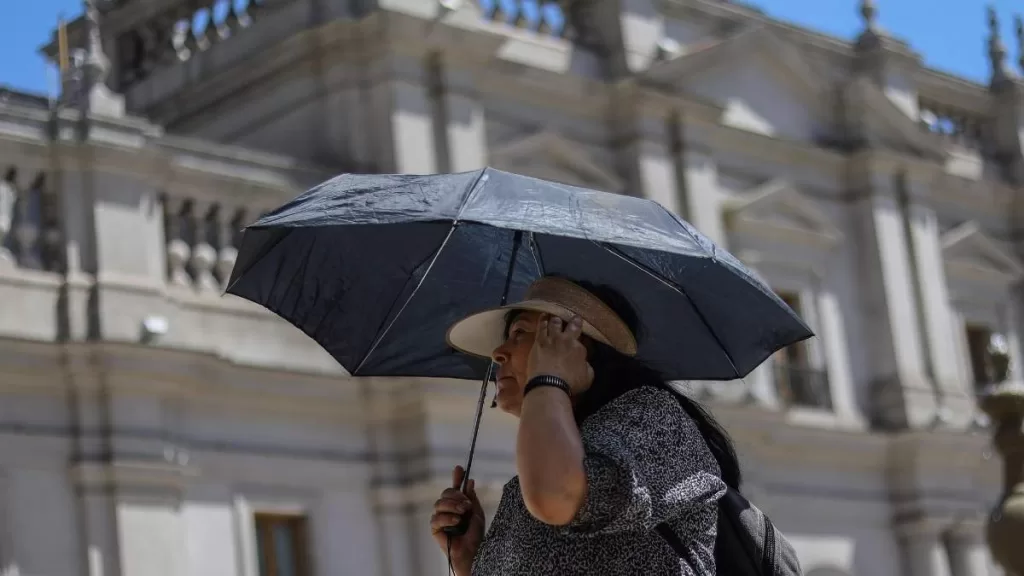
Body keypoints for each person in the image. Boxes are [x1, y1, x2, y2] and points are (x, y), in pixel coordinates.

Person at [430, 276, 742, 575]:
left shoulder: (650, 416)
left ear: (579, 348)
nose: (498, 354)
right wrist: (471, 561)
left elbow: (558, 497)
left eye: (520, 333)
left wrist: (549, 377)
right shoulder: (529, 481)